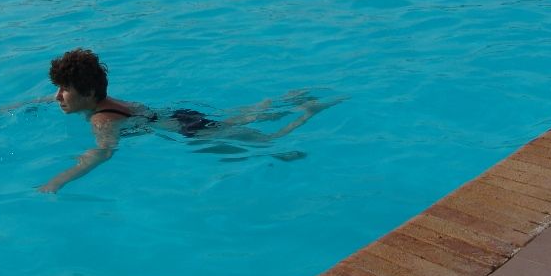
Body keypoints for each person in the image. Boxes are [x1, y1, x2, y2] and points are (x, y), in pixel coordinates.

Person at [39, 48, 341, 193]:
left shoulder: (101, 121)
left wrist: (57, 182)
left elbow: (102, 152)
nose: (57, 96)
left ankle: (307, 113)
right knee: (244, 117)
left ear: (88, 93)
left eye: (64, 90)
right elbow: (63, 98)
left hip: (189, 132)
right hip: (180, 116)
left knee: (268, 142)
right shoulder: (106, 100)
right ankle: (286, 101)